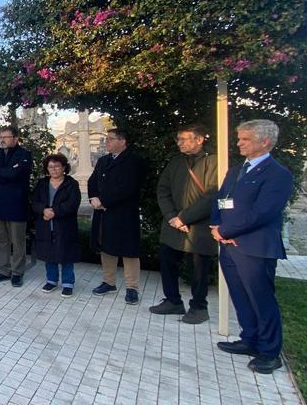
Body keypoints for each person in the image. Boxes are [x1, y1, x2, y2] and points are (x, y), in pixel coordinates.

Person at [212, 119, 293, 374]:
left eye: (245, 139)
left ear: (264, 141)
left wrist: (225, 231)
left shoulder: (278, 174)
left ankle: (269, 353)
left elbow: (263, 212)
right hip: (229, 245)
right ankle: (250, 339)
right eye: (239, 138)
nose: (239, 143)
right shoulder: (237, 170)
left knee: (261, 300)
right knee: (240, 296)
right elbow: (221, 199)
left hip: (255, 248)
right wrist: (216, 226)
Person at [150, 124, 218, 324]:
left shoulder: (213, 162)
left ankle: (199, 307)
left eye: (184, 139)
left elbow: (212, 195)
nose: (179, 143)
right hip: (173, 224)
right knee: (167, 261)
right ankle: (173, 301)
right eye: (178, 139)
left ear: (199, 139)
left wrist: (184, 218)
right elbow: (163, 189)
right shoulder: (176, 162)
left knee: (198, 269)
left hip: (199, 226)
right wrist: (172, 217)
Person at [89, 128, 146, 304]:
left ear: (122, 141)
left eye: (111, 139)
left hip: (124, 213)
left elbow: (128, 187)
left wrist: (104, 201)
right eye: (106, 139)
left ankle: (132, 288)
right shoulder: (103, 160)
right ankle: (109, 282)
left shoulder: (133, 161)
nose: (107, 142)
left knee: (129, 251)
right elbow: (92, 181)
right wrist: (93, 197)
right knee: (106, 247)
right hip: (104, 213)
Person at [0, 127, 33, 287]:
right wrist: (7, 173)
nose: (2, 140)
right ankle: (4, 270)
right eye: (1, 137)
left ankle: (17, 272)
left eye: (6, 137)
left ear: (16, 138)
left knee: (17, 241)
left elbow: (18, 174)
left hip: (16, 204)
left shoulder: (24, 155)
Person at [31, 154, 81, 298]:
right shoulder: (42, 184)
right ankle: (51, 281)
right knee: (49, 253)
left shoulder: (71, 184)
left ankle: (68, 283)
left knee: (66, 253)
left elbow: (73, 203)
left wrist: (54, 212)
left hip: (64, 225)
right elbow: (34, 201)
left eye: (57, 166)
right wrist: (43, 210)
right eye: (50, 167)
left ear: (64, 167)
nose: (54, 169)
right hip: (46, 224)